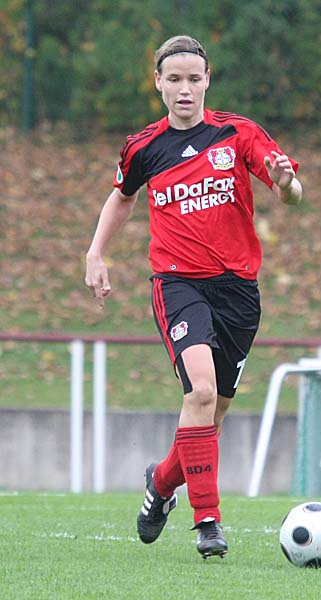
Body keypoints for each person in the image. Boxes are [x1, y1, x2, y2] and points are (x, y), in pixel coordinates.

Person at [85, 34, 302, 560]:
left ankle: (161, 484)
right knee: (199, 392)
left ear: (208, 81)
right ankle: (208, 522)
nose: (185, 89)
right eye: (174, 79)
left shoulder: (238, 134)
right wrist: (95, 254)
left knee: (211, 415)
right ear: (158, 83)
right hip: (178, 283)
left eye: (194, 79)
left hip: (239, 291)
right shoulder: (143, 147)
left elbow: (291, 193)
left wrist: (286, 183)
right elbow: (121, 199)